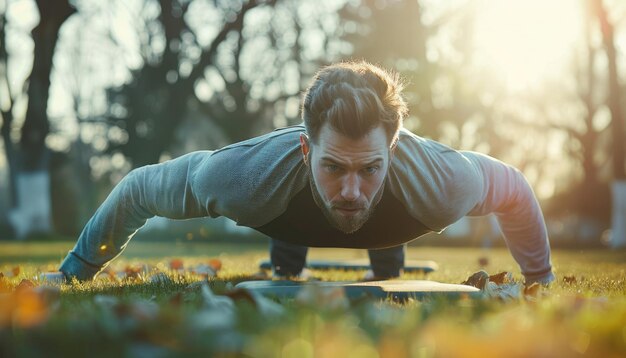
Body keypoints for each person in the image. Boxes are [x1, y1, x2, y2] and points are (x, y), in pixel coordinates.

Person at [51, 61, 555, 285]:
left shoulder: (443, 183)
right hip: (283, 207)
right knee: (292, 217)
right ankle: (289, 255)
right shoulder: (242, 178)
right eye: (333, 166)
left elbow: (513, 188)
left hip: (398, 215)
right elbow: (139, 188)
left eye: (370, 167)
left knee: (382, 218)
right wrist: (73, 273)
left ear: (395, 149)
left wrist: (541, 281)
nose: (352, 189)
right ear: (305, 146)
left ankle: (384, 251)